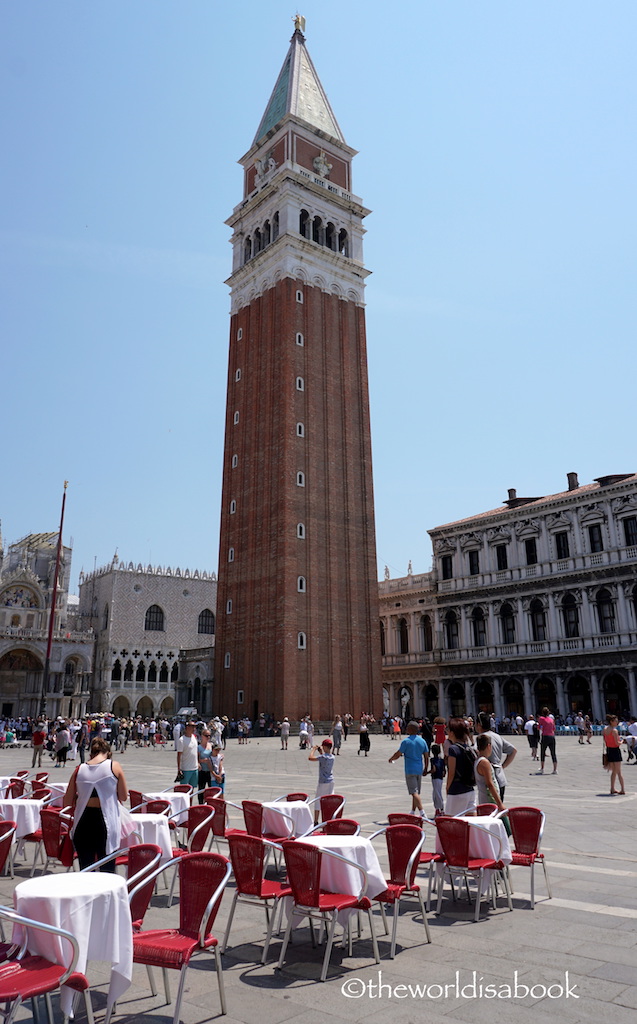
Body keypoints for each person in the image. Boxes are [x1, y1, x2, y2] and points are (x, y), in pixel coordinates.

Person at [64, 737, 128, 870]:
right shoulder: (114, 766)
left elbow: (67, 801)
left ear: (91, 753)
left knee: (86, 867)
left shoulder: (79, 769)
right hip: (107, 822)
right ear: (108, 753)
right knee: (107, 868)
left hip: (83, 821)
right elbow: (123, 796)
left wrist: (81, 797)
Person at [388, 720, 429, 815]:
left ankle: (422, 812)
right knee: (416, 792)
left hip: (410, 769)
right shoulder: (422, 741)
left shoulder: (406, 741)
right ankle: (412, 811)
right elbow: (426, 756)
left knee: (413, 792)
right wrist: (426, 768)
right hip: (419, 768)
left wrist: (391, 759)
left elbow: (398, 753)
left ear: (411, 729)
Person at [475, 712, 517, 801]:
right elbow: (513, 750)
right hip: (500, 777)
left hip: (489, 779)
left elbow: (475, 752)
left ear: (479, 725)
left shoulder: (482, 738)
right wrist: (503, 766)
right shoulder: (497, 736)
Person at [445, 717, 477, 816]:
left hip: (456, 789)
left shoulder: (453, 749)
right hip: (469, 788)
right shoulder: (469, 748)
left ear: (452, 732)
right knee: (471, 821)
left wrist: (447, 787)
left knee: (450, 821)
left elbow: (451, 772)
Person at [474, 735, 506, 812]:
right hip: (490, 800)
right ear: (489, 746)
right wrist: (500, 803)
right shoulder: (484, 762)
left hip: (484, 799)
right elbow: (490, 784)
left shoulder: (478, 760)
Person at [308, 739, 335, 823]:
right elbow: (324, 759)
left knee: (318, 800)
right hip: (331, 781)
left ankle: (316, 820)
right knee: (329, 800)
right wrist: (320, 752)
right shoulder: (332, 757)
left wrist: (313, 749)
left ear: (325, 747)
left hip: (323, 782)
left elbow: (310, 758)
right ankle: (329, 819)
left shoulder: (323, 757)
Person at [603, 715, 626, 795]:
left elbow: (605, 741)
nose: (617, 722)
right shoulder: (614, 731)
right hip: (615, 750)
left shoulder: (605, 729)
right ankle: (622, 789)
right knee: (619, 771)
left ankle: (612, 788)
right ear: (611, 722)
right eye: (615, 721)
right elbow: (617, 743)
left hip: (609, 750)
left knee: (613, 771)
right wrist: (622, 741)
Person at [176, 720, 199, 790]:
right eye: (192, 727)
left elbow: (196, 751)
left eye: (195, 727)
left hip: (195, 768)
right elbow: (179, 755)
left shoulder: (194, 737)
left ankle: (190, 801)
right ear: (187, 727)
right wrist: (179, 769)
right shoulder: (182, 740)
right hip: (186, 768)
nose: (194, 729)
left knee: (192, 789)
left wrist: (198, 762)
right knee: (184, 789)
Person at [537, 707, 558, 775]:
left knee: (543, 752)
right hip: (552, 736)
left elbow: (539, 727)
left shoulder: (541, 718)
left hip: (545, 736)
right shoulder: (551, 719)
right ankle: (555, 769)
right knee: (553, 753)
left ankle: (542, 768)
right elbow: (554, 728)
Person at [426, 742, 445, 814]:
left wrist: (427, 772)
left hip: (435, 777)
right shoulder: (441, 760)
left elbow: (434, 769)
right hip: (440, 777)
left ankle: (440, 808)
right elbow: (444, 771)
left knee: (436, 793)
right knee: (437, 792)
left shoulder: (433, 760)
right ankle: (438, 808)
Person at [197, 727, 214, 801]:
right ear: (202, 736)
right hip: (202, 771)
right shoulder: (198, 747)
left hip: (210, 771)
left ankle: (211, 803)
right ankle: (201, 804)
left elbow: (215, 755)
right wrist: (202, 761)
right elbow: (196, 760)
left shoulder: (211, 745)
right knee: (201, 789)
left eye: (209, 735)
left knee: (211, 789)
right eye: (206, 735)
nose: (208, 737)